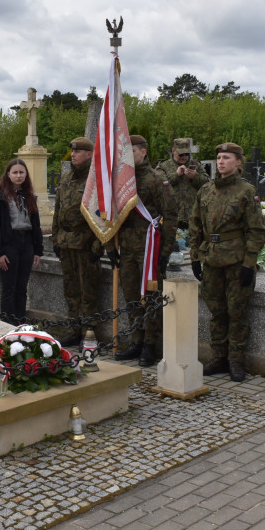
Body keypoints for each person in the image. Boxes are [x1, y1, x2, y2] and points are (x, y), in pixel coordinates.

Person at [189, 142, 265, 382]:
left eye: (226, 158)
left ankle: (235, 360)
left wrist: (248, 264)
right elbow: (195, 224)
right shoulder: (205, 190)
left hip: (235, 260)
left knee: (236, 312)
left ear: (238, 162)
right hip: (211, 259)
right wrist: (195, 256)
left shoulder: (245, 191)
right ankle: (218, 357)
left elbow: (256, 231)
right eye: (219, 158)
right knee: (217, 311)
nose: (221, 162)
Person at [112, 135, 177, 367]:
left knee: (151, 298)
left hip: (150, 248)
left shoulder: (156, 179)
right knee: (130, 297)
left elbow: (170, 215)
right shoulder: (121, 180)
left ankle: (150, 346)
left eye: (132, 151)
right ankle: (136, 341)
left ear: (144, 152)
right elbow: (112, 215)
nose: (128, 156)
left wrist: (165, 252)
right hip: (127, 248)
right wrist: (111, 247)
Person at [51, 137, 103, 348]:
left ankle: (89, 333)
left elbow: (103, 216)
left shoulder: (96, 180)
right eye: (72, 151)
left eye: (78, 152)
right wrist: (55, 238)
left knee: (88, 292)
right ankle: (74, 330)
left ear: (88, 155)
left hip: (85, 243)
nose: (72, 155)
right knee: (71, 290)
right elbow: (58, 210)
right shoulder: (65, 178)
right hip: (66, 243)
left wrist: (98, 245)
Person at [0, 158, 43, 322]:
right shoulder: (0, 198)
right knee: (9, 288)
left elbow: (36, 225)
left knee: (21, 287)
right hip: (9, 244)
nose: (18, 176)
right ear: (8, 175)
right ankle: (8, 324)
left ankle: (20, 321)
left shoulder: (29, 196)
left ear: (26, 174)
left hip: (26, 244)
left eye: (21, 172)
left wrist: (37, 250)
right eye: (15, 172)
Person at [155, 137, 209, 231]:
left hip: (194, 216)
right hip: (172, 217)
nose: (184, 157)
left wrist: (195, 177)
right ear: (173, 151)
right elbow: (160, 186)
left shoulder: (196, 165)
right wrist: (176, 175)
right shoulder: (163, 167)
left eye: (187, 154)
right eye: (181, 154)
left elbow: (208, 184)